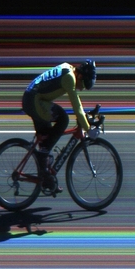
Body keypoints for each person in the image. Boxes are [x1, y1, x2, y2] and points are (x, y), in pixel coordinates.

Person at [22, 60, 99, 192]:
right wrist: (88, 129)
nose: (81, 88)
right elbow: (76, 105)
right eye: (83, 85)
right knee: (63, 119)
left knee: (46, 140)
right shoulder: (69, 78)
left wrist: (85, 117)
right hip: (34, 100)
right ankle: (43, 157)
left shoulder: (68, 68)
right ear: (80, 76)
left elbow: (78, 104)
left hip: (34, 98)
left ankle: (46, 179)